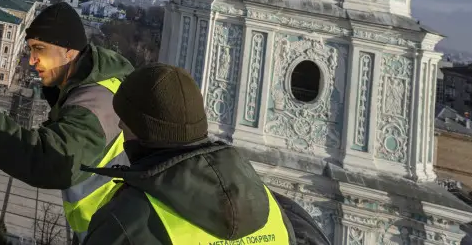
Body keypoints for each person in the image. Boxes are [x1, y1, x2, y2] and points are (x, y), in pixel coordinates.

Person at [0, 2, 134, 238]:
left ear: (69, 51)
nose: (31, 60)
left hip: (116, 233)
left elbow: (51, 160)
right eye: (30, 50)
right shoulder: (97, 83)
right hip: (110, 228)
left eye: (40, 48)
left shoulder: (94, 103)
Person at [79, 63, 330, 245]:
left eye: (126, 121)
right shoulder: (273, 208)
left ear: (145, 131)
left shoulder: (127, 223)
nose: (121, 127)